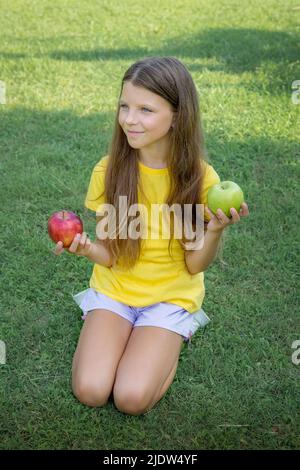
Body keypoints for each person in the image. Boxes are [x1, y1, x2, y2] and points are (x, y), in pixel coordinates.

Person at [54, 56, 249, 415]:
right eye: (124, 106)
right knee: (91, 390)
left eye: (146, 109)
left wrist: (215, 230)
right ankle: (119, 329)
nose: (130, 119)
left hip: (169, 298)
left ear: (177, 116)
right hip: (115, 291)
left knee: (131, 398)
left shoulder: (200, 179)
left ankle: (172, 337)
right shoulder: (109, 170)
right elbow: (112, 255)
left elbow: (194, 264)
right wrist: (85, 249)